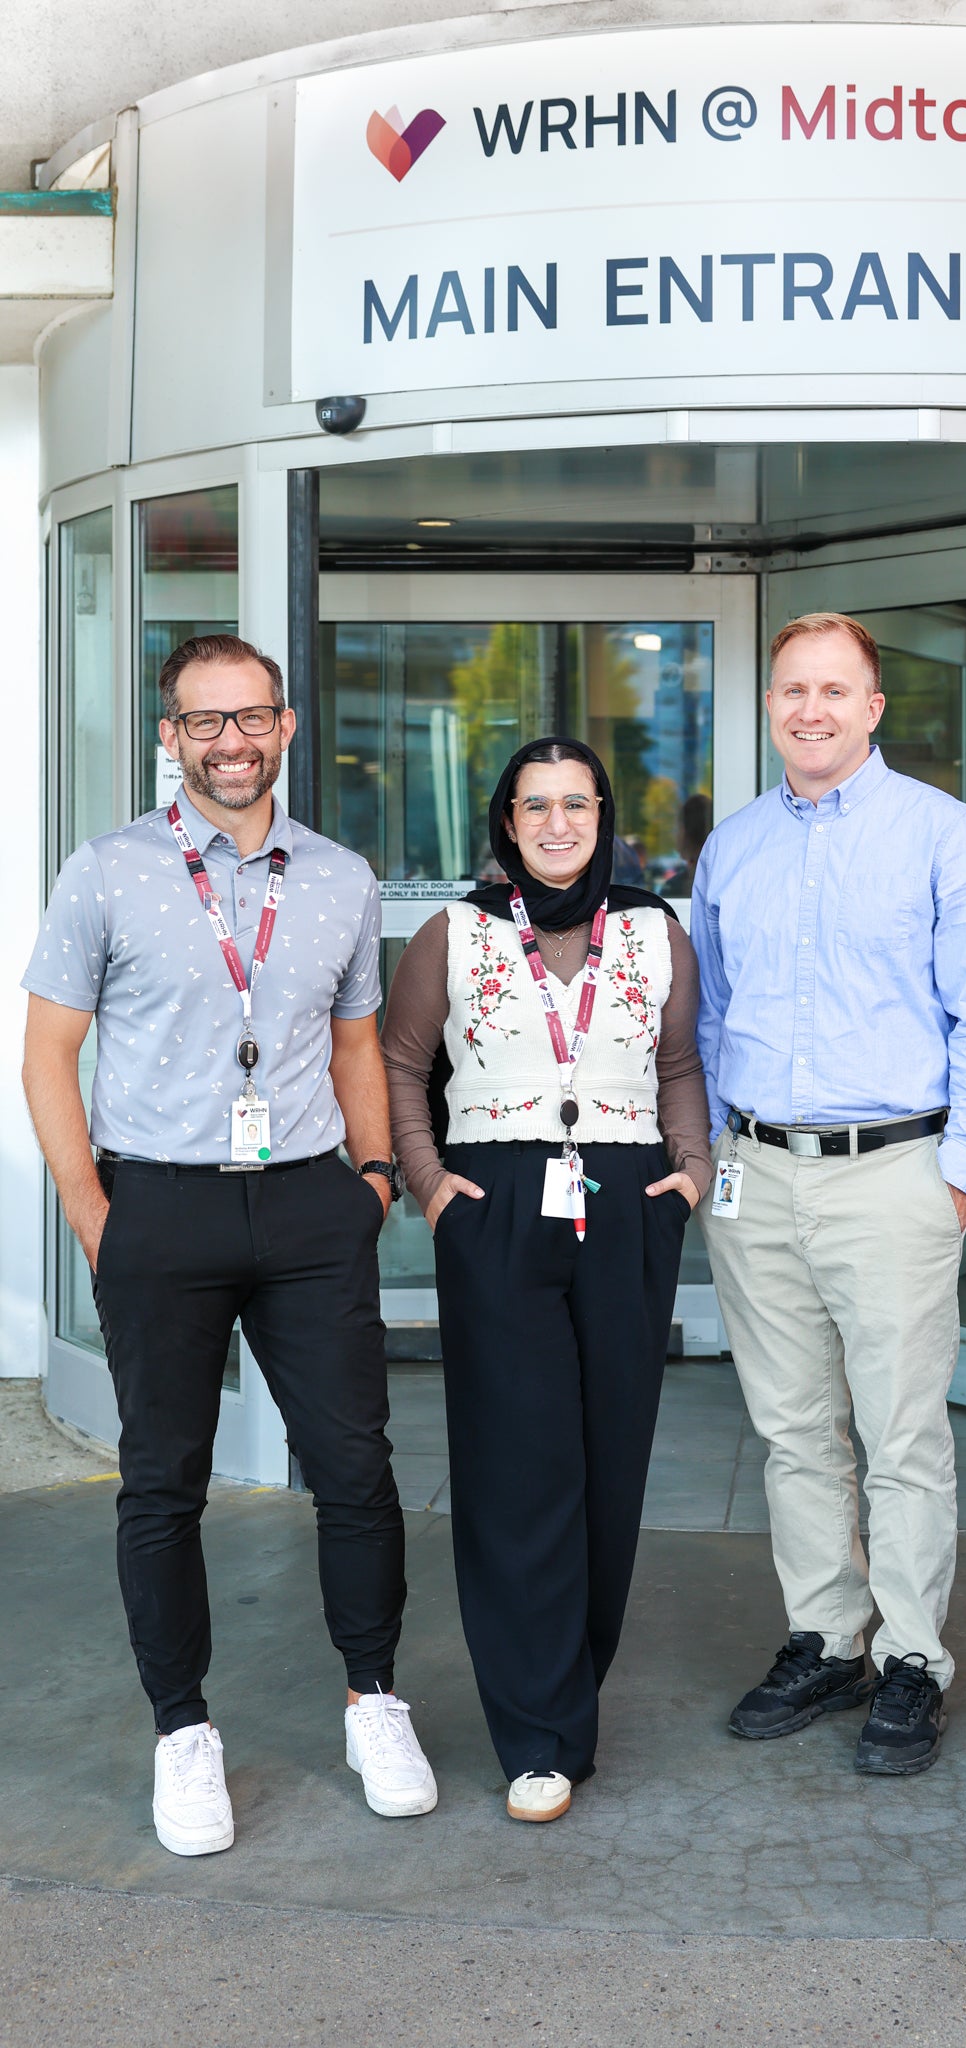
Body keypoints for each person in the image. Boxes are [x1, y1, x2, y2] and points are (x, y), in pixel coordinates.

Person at [21, 633, 436, 1859]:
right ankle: (182, 1730)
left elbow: (358, 1044)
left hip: (311, 1203)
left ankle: (375, 1699)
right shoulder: (106, 872)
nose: (231, 741)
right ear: (171, 736)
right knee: (163, 1481)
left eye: (250, 718)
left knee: (355, 1466)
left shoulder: (342, 878)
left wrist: (369, 1179)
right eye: (204, 722)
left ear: (287, 726)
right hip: (162, 1202)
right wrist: (97, 1213)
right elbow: (47, 1052)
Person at [692, 612, 966, 1776]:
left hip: (895, 1172)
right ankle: (829, 1638)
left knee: (900, 1434)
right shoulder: (731, 846)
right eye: (793, 689)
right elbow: (711, 1012)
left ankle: (915, 1659)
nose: (812, 709)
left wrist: (957, 1174)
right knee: (791, 1430)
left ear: (874, 706)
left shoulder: (942, 833)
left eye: (836, 689)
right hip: (758, 1173)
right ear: (771, 702)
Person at [380, 737, 711, 1823]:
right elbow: (398, 1060)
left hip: (626, 1202)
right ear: (505, 820)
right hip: (496, 1199)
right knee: (517, 1465)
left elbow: (676, 1064)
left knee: (609, 1460)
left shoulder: (655, 927)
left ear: (604, 813)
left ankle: (573, 1697)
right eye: (537, 805)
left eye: (578, 803)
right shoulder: (456, 930)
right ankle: (534, 1733)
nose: (558, 823)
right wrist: (427, 1183)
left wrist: (693, 1169)